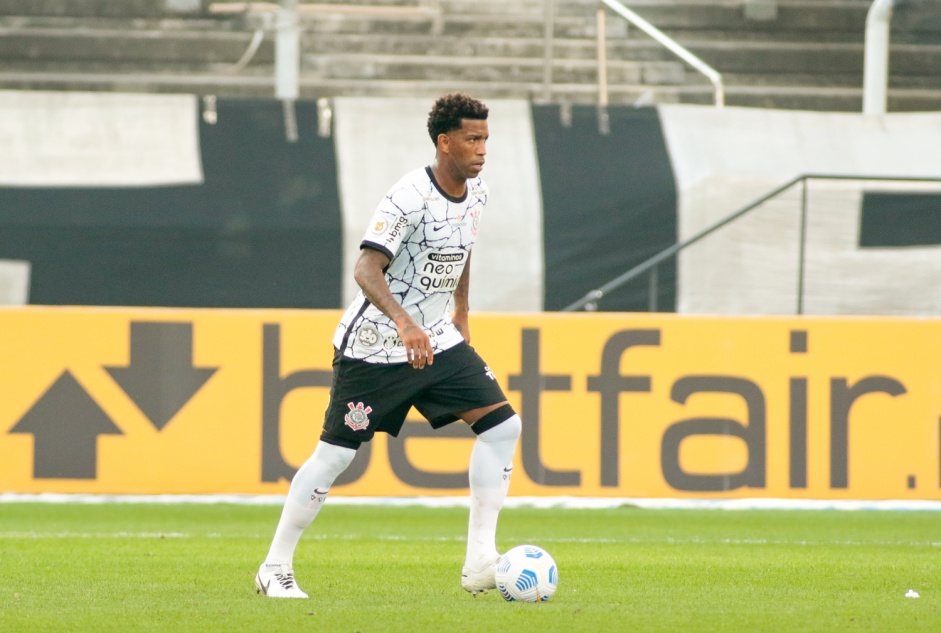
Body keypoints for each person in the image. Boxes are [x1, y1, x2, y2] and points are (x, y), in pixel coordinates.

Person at [255, 93, 522, 599]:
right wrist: (404, 323)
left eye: (485, 139)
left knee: (503, 426)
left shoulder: (478, 192)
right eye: (472, 139)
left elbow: (462, 249)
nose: (482, 149)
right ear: (445, 143)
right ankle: (275, 566)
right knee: (335, 457)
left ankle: (481, 561)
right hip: (376, 347)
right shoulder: (408, 197)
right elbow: (365, 268)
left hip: (436, 340)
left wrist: (460, 311)